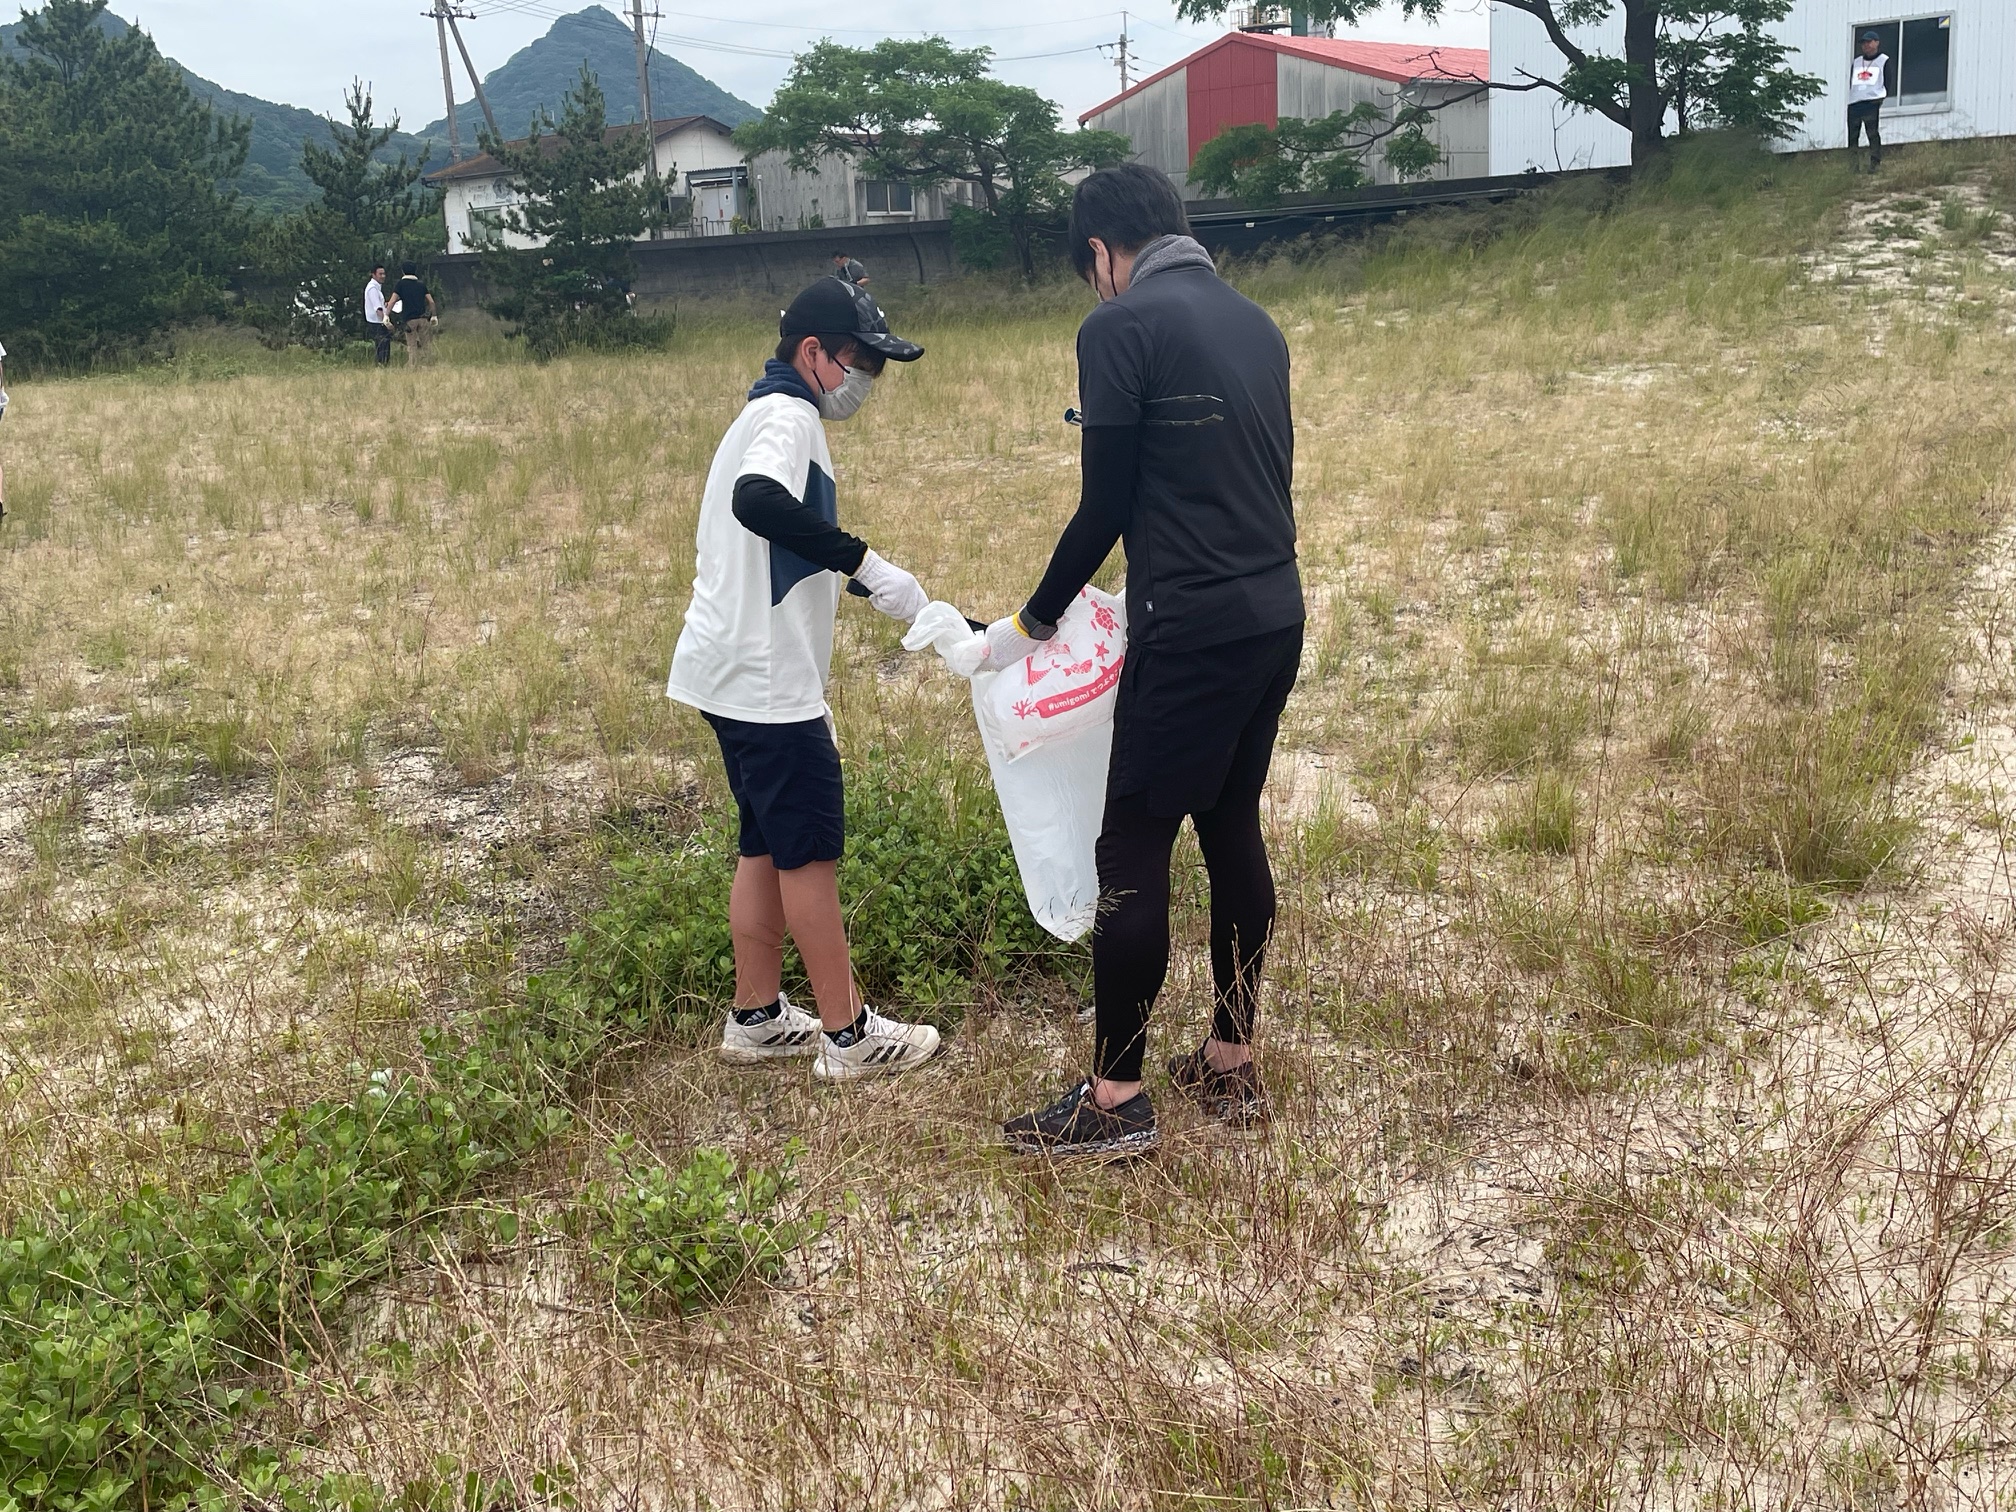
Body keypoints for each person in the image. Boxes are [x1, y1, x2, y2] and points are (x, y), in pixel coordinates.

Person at [994, 163, 1303, 1159]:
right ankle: (1231, 1061)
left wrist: (1032, 623)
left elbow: (1108, 506)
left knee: (1131, 844)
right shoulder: (1257, 323)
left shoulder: (1117, 326)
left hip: (1196, 627)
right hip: (1273, 613)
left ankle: (1115, 1099)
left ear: (1099, 251)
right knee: (1230, 822)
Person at [666, 277, 943, 1082]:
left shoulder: (763, 414)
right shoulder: (787, 418)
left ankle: (756, 1016)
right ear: (812, 351)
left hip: (724, 669)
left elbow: (778, 535)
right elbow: (760, 503)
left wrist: (861, 581)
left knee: (764, 842)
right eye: (857, 361)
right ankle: (848, 1035)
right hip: (767, 682)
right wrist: (866, 559)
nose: (864, 381)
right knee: (808, 856)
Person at [1849, 31, 1890, 172]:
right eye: (1864, 43)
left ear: (1876, 42)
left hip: (1872, 101)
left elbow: (1888, 81)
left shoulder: (1883, 60)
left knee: (1872, 134)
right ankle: (1853, 166)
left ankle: (1874, 164)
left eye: (1869, 42)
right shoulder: (1857, 61)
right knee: (1853, 136)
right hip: (1855, 102)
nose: (1866, 45)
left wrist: (1881, 97)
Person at [392, 261, 438, 366]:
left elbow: (392, 301)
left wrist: (386, 315)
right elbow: (431, 301)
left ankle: (413, 365)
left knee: (412, 345)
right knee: (426, 344)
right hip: (423, 319)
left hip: (410, 320)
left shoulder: (400, 284)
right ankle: (428, 364)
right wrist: (434, 315)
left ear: (403, 271)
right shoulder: (421, 285)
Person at [364, 265, 393, 366]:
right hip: (377, 323)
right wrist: (386, 322)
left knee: (384, 347)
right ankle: (381, 366)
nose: (383, 276)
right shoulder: (372, 289)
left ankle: (383, 365)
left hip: (378, 321)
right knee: (382, 347)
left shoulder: (377, 288)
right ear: (373, 275)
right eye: (380, 274)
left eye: (384, 274)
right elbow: (377, 309)